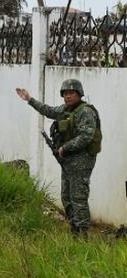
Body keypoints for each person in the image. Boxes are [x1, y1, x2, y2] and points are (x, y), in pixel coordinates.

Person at [16, 79, 101, 235]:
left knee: (78, 198)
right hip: (68, 161)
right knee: (66, 197)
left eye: (71, 93)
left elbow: (85, 137)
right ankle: (74, 228)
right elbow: (48, 110)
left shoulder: (86, 112)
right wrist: (29, 99)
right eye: (65, 94)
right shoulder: (65, 110)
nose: (68, 96)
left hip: (82, 160)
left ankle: (82, 234)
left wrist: (64, 148)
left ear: (79, 94)